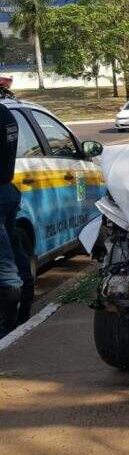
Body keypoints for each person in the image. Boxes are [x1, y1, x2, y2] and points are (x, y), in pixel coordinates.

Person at [0, 94, 33, 338]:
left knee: (5, 263)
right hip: (7, 189)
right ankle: (22, 315)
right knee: (13, 251)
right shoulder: (7, 114)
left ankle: (9, 328)